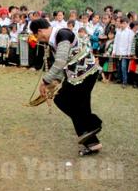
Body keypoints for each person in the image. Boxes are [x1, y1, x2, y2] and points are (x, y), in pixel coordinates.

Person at [31, 19, 102, 156]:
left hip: (84, 74)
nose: (38, 39)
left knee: (62, 100)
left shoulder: (62, 34)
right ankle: (92, 143)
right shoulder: (54, 41)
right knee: (81, 107)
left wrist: (45, 82)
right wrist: (55, 81)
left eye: (36, 35)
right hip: (78, 75)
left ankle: (93, 124)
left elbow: (60, 61)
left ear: (40, 31)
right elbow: (62, 66)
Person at [112, 17, 134, 88]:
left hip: (125, 53)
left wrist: (128, 53)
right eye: (122, 23)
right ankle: (119, 79)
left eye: (125, 23)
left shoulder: (130, 32)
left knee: (124, 67)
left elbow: (130, 43)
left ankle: (125, 81)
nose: (123, 25)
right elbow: (115, 42)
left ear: (127, 24)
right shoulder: (118, 31)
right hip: (118, 52)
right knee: (119, 67)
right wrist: (114, 51)